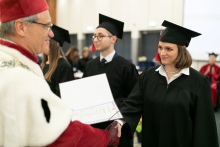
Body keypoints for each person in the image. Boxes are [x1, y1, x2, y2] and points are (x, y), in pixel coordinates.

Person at [0, 0, 119, 146]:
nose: (50, 33)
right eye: (46, 26)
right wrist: (106, 137)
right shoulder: (20, 77)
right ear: (21, 27)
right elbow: (58, 134)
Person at [114, 20, 219, 147]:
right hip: (151, 141)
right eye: (160, 47)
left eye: (168, 49)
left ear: (182, 50)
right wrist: (120, 120)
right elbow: (133, 103)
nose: (162, 53)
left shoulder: (198, 82)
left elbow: (204, 125)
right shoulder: (148, 76)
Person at [83, 14, 139, 147]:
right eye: (94, 36)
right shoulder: (90, 65)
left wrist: (118, 115)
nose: (96, 39)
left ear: (113, 39)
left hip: (116, 128)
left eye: (100, 36)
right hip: (94, 128)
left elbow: (135, 99)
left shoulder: (126, 67)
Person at [42, 25, 74, 97]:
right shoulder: (44, 63)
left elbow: (63, 96)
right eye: (44, 40)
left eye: (48, 40)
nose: (45, 43)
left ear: (57, 43)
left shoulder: (63, 66)